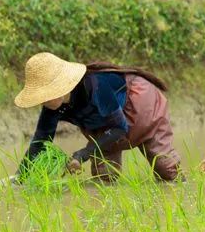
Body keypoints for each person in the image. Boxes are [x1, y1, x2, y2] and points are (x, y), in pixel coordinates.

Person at [14, 52, 181, 182]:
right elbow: (40, 142)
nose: (42, 102)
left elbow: (119, 128)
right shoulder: (52, 106)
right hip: (105, 129)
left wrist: (82, 155)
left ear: (61, 88)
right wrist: (19, 179)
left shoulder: (96, 86)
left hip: (142, 111)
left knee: (166, 169)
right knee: (103, 179)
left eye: (45, 95)